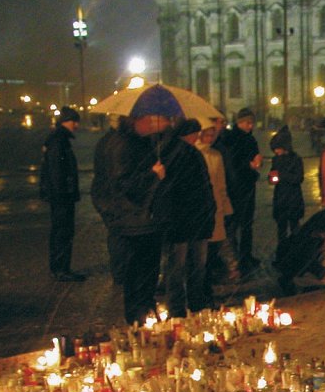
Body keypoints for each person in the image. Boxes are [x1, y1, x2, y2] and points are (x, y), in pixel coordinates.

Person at [90, 106, 171, 325]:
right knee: (140, 273)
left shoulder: (128, 140)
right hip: (135, 218)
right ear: (135, 120)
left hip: (137, 218)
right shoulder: (124, 145)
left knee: (142, 272)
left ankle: (142, 313)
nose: (154, 124)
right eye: (150, 120)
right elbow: (123, 184)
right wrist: (154, 175)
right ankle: (138, 320)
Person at [154, 118, 215, 318]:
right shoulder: (184, 153)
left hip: (183, 220)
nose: (198, 137)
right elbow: (199, 188)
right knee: (186, 266)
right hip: (188, 219)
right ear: (188, 134)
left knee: (180, 267)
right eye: (196, 134)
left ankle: (180, 307)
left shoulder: (169, 151)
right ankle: (188, 305)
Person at [40, 106, 85, 281]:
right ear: (68, 121)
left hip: (59, 196)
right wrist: (63, 194)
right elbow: (57, 171)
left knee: (60, 232)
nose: (77, 125)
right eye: (75, 121)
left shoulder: (56, 139)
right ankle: (61, 269)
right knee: (63, 232)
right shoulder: (59, 141)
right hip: (61, 197)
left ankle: (59, 267)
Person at [196, 122, 239, 298]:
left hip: (217, 209)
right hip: (200, 210)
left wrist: (226, 206)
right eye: (208, 134)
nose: (212, 138)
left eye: (214, 134)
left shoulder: (216, 155)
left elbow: (221, 184)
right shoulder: (194, 153)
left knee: (213, 251)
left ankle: (208, 287)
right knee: (200, 255)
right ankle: (201, 289)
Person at [223, 107, 263, 273]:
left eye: (251, 123)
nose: (250, 126)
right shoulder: (232, 138)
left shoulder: (250, 139)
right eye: (247, 123)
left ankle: (246, 255)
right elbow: (232, 163)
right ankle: (236, 257)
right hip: (237, 187)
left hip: (248, 184)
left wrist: (257, 161)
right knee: (234, 224)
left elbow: (253, 155)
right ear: (239, 122)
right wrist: (248, 164)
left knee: (247, 224)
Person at [269, 126, 305, 244]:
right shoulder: (276, 159)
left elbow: (298, 178)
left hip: (293, 198)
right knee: (281, 230)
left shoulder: (296, 159)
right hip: (280, 198)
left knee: (295, 227)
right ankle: (282, 252)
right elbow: (273, 175)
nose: (276, 152)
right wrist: (272, 177)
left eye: (277, 149)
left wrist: (281, 175)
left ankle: (295, 251)